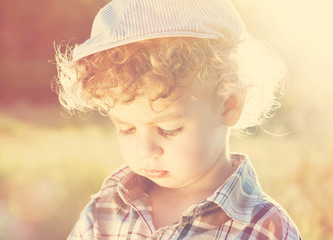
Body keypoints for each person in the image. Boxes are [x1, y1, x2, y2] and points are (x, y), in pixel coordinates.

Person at [54, 0, 302, 239]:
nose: (145, 150)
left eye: (168, 129)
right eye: (126, 129)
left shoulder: (265, 228)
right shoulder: (103, 213)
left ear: (229, 104)